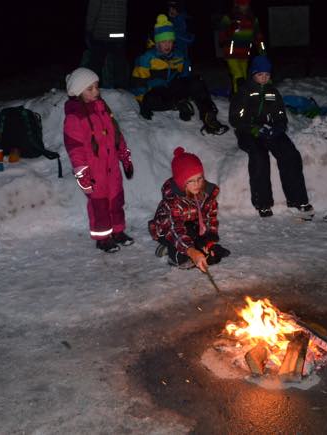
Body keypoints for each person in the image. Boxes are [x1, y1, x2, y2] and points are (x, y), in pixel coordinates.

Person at [228, 55, 313, 219]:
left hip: (270, 131)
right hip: (249, 132)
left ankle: (297, 199)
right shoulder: (244, 92)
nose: (263, 78)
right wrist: (254, 129)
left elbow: (281, 115)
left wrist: (278, 127)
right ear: (253, 74)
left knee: (290, 154)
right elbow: (235, 119)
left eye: (267, 75)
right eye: (260, 74)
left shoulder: (272, 93)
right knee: (259, 157)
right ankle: (263, 203)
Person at [63, 67, 135, 253]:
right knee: (99, 207)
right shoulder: (74, 118)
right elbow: (75, 149)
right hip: (94, 173)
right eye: (90, 88)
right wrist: (82, 173)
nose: (96, 91)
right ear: (78, 92)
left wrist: (124, 156)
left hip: (112, 169)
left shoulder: (102, 108)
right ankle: (102, 238)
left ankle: (118, 231)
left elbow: (116, 135)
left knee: (116, 202)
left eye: (96, 86)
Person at [132, 15, 229, 135]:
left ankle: (209, 116)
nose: (167, 45)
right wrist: (142, 103)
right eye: (163, 42)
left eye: (170, 41)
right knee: (150, 100)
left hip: (172, 88)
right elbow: (139, 81)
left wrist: (190, 87)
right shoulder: (147, 58)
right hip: (157, 91)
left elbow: (185, 78)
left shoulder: (178, 56)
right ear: (157, 42)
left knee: (196, 81)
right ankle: (179, 104)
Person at [149, 147, 230, 271]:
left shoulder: (206, 194)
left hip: (190, 226)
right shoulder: (173, 201)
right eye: (191, 181)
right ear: (182, 183)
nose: (197, 184)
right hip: (169, 231)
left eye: (200, 178)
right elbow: (176, 230)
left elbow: (210, 217)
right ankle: (168, 249)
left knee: (207, 254)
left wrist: (208, 241)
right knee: (185, 257)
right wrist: (192, 252)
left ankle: (194, 247)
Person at [219, 0, 266, 95]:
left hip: (244, 53)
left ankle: (241, 96)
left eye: (246, 4)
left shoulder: (253, 19)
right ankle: (239, 97)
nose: (244, 6)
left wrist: (263, 51)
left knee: (243, 76)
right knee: (238, 76)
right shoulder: (228, 18)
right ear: (236, 4)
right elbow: (221, 38)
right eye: (242, 4)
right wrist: (230, 30)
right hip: (231, 54)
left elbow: (259, 37)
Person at [84, 0, 129, 89]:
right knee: (118, 65)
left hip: (101, 34)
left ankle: (93, 87)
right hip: (118, 34)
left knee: (96, 64)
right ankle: (120, 90)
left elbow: (93, 12)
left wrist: (88, 29)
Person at [167, 0, 195, 74]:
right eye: (170, 9)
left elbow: (189, 37)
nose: (171, 11)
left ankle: (185, 77)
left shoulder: (182, 19)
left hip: (182, 48)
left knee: (185, 63)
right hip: (174, 49)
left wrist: (175, 36)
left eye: (173, 9)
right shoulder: (172, 20)